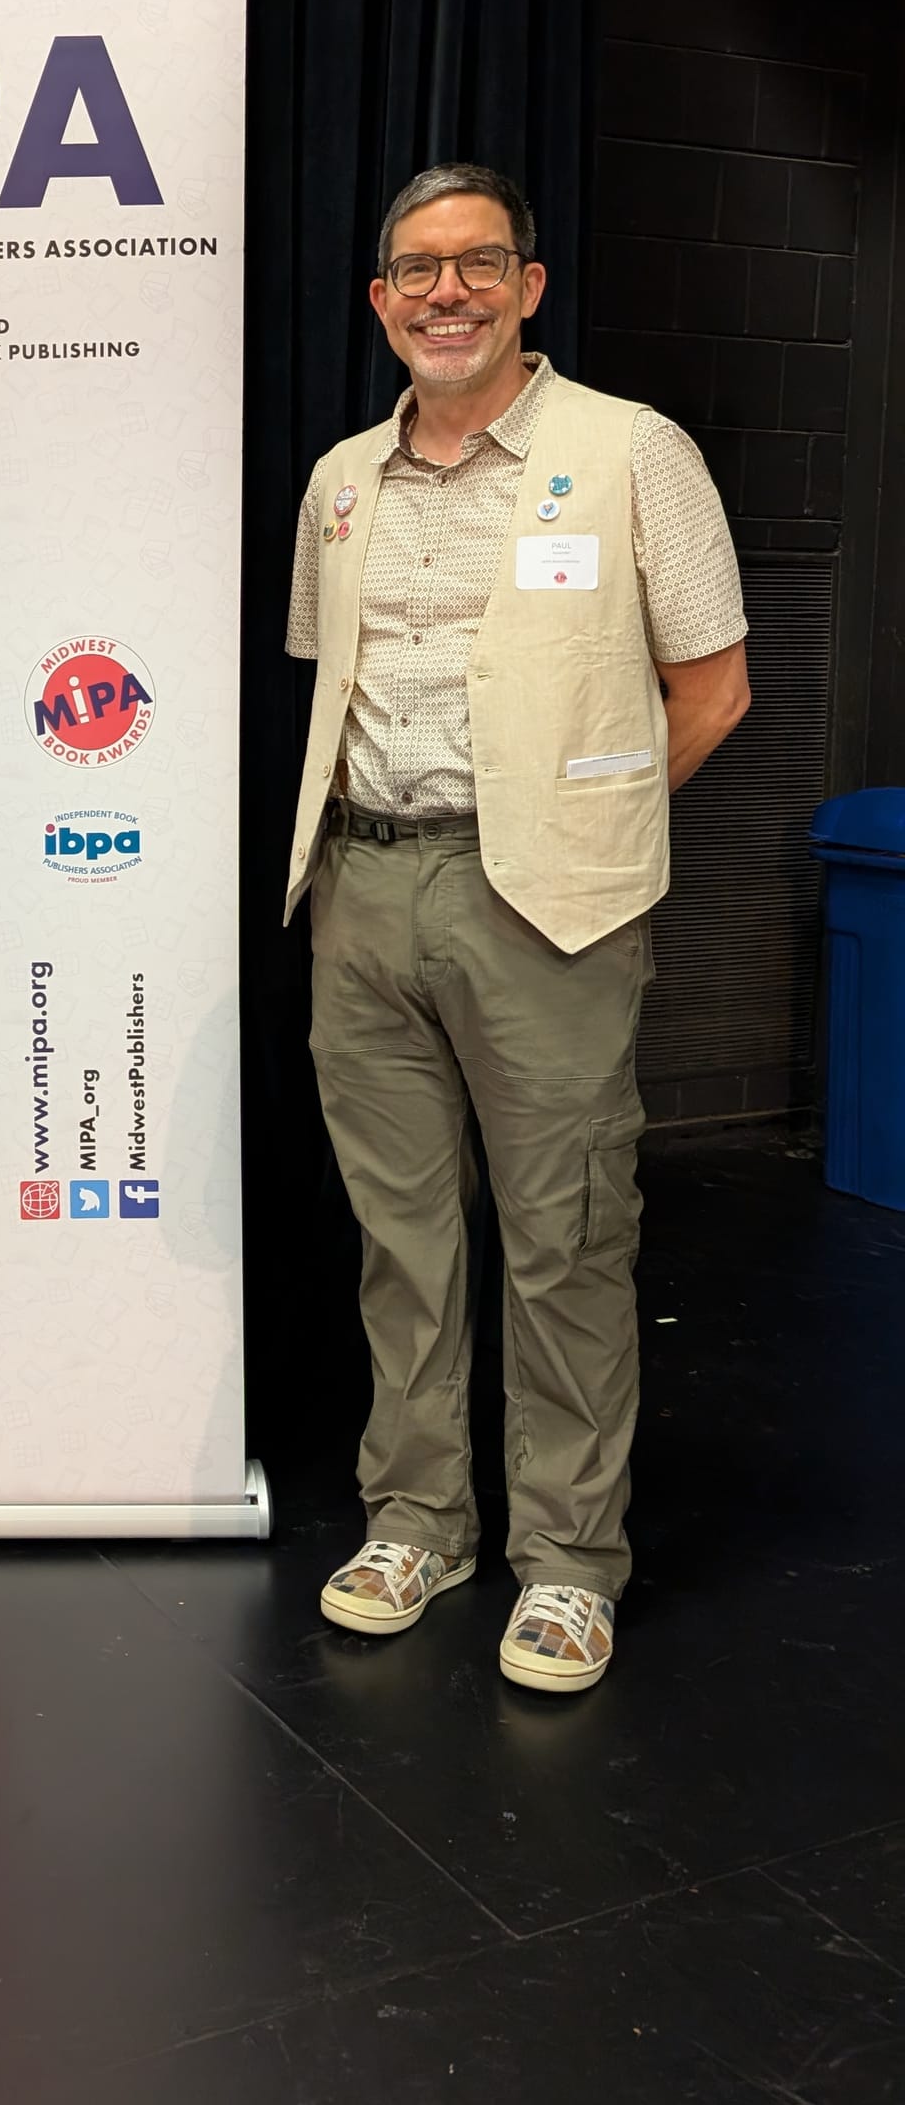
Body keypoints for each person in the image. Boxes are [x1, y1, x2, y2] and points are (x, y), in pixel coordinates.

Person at [283, 162, 750, 1693]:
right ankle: (419, 1521)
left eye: (480, 263)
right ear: (380, 302)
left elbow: (713, 689)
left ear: (529, 286)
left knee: (567, 1237)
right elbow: (333, 676)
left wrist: (581, 832)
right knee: (402, 1239)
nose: (449, 293)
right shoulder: (341, 481)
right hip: (362, 891)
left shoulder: (631, 452)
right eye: (418, 270)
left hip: (545, 908)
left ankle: (567, 1560)